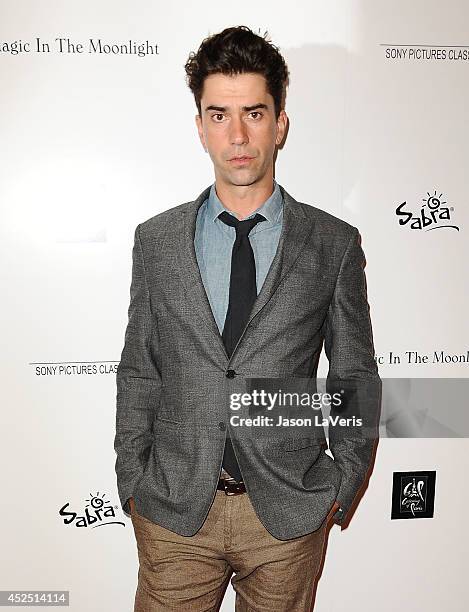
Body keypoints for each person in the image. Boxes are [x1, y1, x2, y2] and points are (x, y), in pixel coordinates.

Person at [114, 25, 381, 612]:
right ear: (200, 125)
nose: (237, 134)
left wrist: (343, 480)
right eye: (219, 114)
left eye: (254, 113)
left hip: (288, 514)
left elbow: (353, 376)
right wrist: (132, 480)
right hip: (174, 511)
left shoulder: (332, 244)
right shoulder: (156, 241)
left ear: (280, 123)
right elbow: (139, 368)